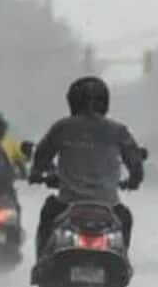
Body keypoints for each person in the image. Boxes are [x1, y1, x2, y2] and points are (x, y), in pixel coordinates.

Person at [29, 76, 144, 274]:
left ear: (73, 101)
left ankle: (41, 265)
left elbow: (41, 156)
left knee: (48, 214)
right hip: (109, 205)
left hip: (67, 203)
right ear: (105, 102)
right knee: (125, 218)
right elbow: (135, 163)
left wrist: (37, 174)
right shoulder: (118, 131)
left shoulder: (63, 128)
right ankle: (123, 268)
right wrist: (133, 180)